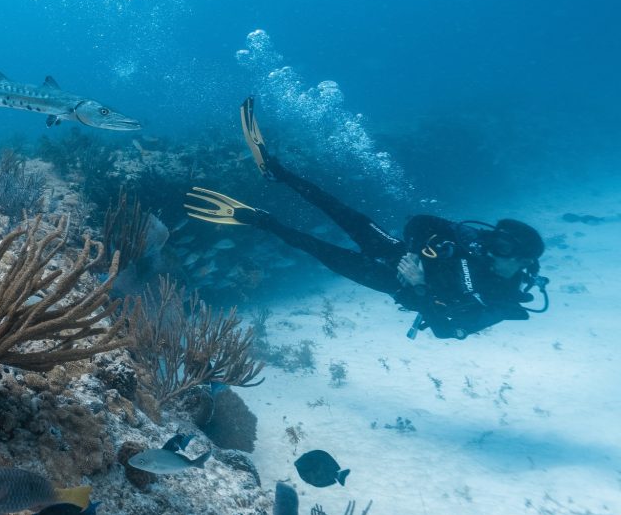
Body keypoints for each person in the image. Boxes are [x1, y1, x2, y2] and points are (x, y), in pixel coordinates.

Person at [185, 97, 548, 340]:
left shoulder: (503, 302)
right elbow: (419, 221)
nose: (490, 247)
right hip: (398, 253)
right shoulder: (474, 243)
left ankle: (258, 219)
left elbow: (443, 330)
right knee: (346, 213)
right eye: (494, 239)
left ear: (522, 262)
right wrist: (428, 250)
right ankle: (277, 171)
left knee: (324, 251)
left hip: (398, 284)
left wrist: (419, 285)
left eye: (501, 247)